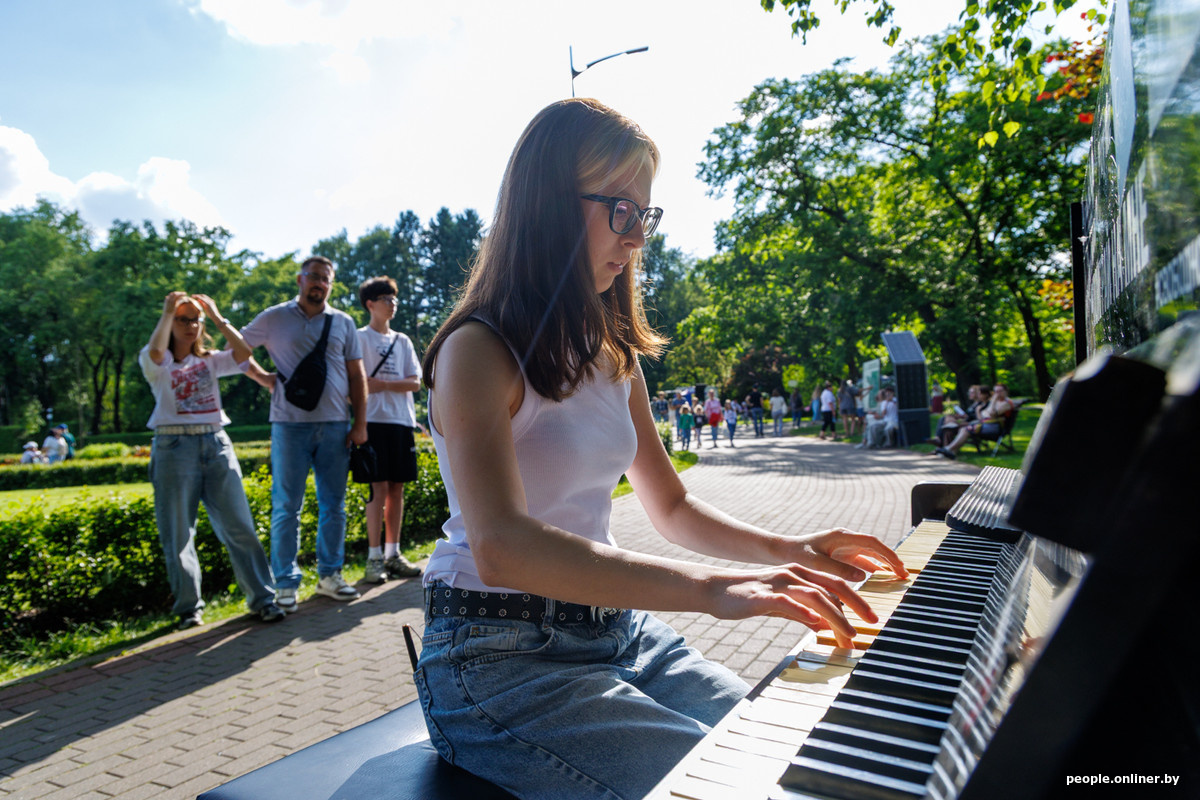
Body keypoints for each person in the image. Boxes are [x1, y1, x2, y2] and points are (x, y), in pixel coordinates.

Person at [414, 98, 907, 800]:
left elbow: (672, 506)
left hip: (621, 634)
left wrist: (792, 548)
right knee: (740, 789)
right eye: (622, 211)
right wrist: (712, 589)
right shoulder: (478, 350)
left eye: (646, 214)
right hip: (498, 660)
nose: (639, 237)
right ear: (547, 205)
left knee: (799, 753)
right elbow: (504, 547)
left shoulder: (612, 354)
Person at [139, 292, 284, 629]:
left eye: (195, 319)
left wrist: (217, 318)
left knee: (240, 527)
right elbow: (157, 351)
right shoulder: (155, 360)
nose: (190, 325)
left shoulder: (211, 360)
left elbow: (244, 353)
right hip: (173, 446)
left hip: (216, 442)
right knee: (178, 532)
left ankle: (263, 599)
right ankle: (189, 609)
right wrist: (166, 312)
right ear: (169, 322)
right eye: (182, 319)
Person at [241, 256, 367, 611]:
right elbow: (236, 348)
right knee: (286, 507)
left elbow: (356, 375)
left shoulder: (343, 322)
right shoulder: (274, 317)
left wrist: (360, 423)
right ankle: (285, 583)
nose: (319, 283)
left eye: (326, 279)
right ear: (300, 279)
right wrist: (262, 377)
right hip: (288, 425)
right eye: (314, 276)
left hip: (336, 425)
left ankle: (330, 575)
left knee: (334, 506)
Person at [357, 277, 424, 583]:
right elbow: (353, 383)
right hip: (372, 421)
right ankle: (374, 558)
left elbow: (415, 382)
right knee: (377, 489)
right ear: (370, 304)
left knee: (397, 489)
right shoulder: (359, 338)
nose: (392, 304)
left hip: (401, 421)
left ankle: (393, 554)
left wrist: (381, 384)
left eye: (394, 299)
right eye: (386, 298)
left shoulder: (403, 341)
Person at [936, 383, 1014, 459]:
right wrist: (988, 411)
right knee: (961, 428)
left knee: (965, 429)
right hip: (986, 425)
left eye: (1000, 391)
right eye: (996, 391)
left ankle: (948, 449)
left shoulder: (1006, 403)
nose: (997, 394)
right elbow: (984, 414)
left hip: (994, 428)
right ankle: (951, 451)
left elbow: (991, 413)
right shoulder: (998, 402)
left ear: (1006, 391)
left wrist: (993, 402)